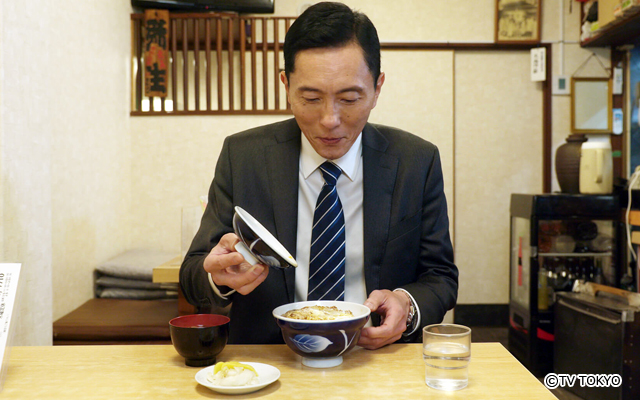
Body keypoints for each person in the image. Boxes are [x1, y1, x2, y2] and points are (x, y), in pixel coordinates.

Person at [180, 1, 458, 349]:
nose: (330, 119)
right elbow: (192, 274)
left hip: (376, 359)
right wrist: (218, 277)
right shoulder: (244, 156)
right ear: (286, 85)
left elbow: (440, 276)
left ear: (377, 88)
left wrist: (406, 303)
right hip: (270, 361)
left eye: (349, 98)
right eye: (311, 98)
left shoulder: (415, 162)